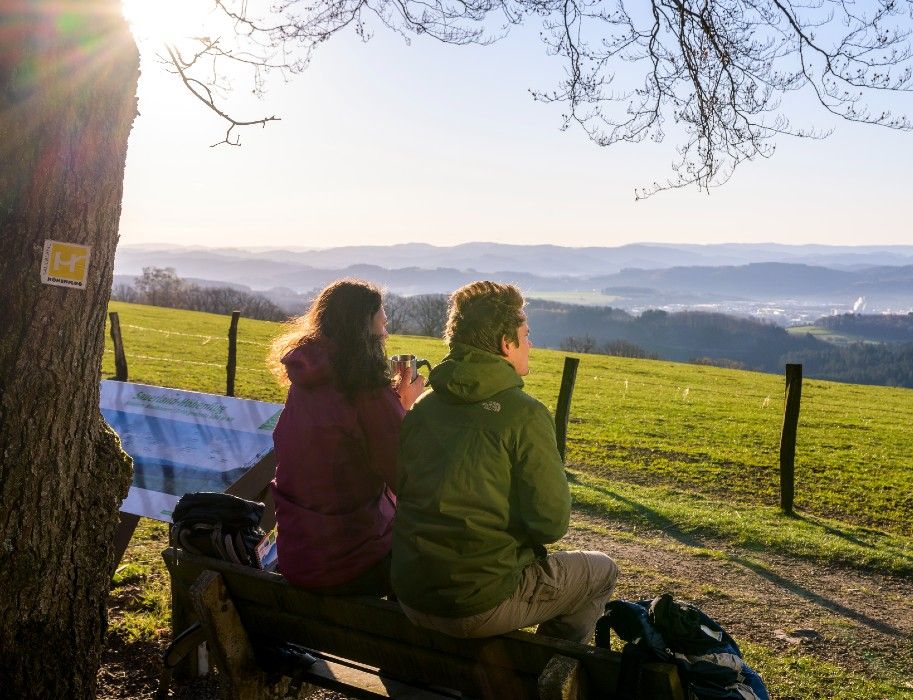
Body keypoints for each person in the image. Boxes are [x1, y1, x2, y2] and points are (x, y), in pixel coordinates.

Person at [391, 281, 618, 643]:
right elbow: (550, 524)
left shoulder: (422, 408)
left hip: (412, 595)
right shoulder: (524, 416)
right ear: (505, 343)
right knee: (601, 571)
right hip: (475, 605)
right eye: (526, 335)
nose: (531, 344)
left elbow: (402, 490)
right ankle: (543, 672)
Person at [268, 279, 424, 595]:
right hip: (351, 564)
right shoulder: (367, 392)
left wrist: (393, 404)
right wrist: (400, 406)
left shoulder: (306, 381)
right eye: (383, 323)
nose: (387, 331)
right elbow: (409, 479)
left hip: (298, 557)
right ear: (364, 332)